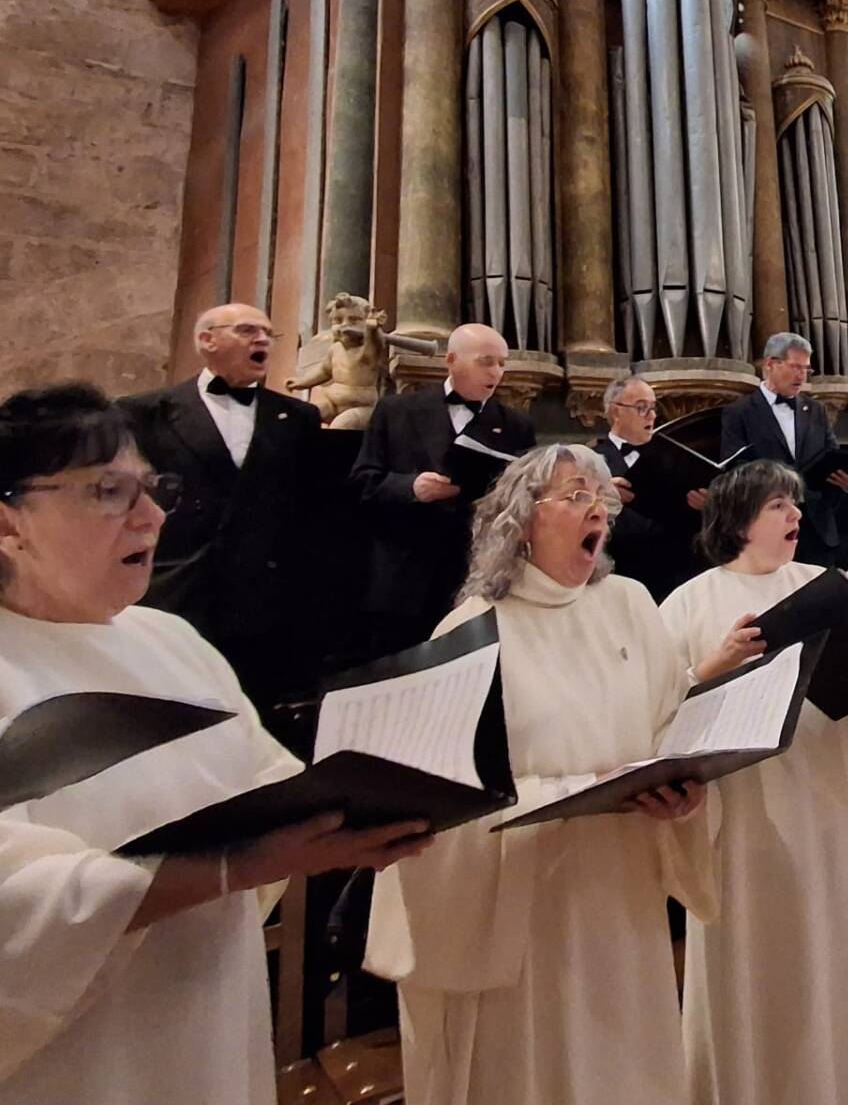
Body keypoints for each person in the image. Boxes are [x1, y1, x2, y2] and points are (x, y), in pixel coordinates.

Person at [0, 384, 423, 1105]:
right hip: (76, 1064)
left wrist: (355, 808)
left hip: (209, 1020)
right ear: (9, 523)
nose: (153, 516)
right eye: (109, 491)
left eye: (152, 488)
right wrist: (228, 868)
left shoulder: (172, 641)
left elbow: (266, 779)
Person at [365, 445, 710, 1105]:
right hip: (521, 913)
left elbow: (673, 722)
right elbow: (435, 802)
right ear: (521, 521)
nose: (597, 510)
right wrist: (565, 793)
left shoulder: (631, 604)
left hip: (618, 894)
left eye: (600, 499)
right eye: (576, 495)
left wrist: (683, 790)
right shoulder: (472, 629)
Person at [660, 462, 848, 1105]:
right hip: (743, 804)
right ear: (738, 519)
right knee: (760, 949)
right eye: (779, 505)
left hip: (828, 785)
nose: (796, 515)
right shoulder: (689, 601)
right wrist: (715, 663)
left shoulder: (826, 586)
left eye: (795, 504)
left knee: (840, 938)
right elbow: (658, 711)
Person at [118, 303, 322, 709]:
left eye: (268, 333)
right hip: (180, 591)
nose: (262, 340)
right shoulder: (143, 413)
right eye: (247, 330)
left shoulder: (298, 416)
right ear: (207, 341)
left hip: (264, 601)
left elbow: (308, 510)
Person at [351, 323, 536, 652]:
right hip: (404, 576)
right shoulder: (396, 410)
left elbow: (525, 498)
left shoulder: (516, 425)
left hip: (476, 574)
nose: (496, 372)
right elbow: (361, 483)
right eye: (486, 361)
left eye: (502, 363)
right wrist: (411, 487)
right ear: (451, 360)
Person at [717, 332, 848, 567]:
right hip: (767, 530)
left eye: (806, 369)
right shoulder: (739, 412)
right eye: (795, 367)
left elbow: (831, 454)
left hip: (817, 529)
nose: (802, 375)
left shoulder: (816, 410)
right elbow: (734, 470)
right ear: (770, 365)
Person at [593, 373, 702, 602]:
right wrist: (601, 495)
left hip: (676, 576)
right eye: (642, 407)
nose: (652, 415)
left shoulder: (676, 456)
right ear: (616, 412)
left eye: (653, 408)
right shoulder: (592, 459)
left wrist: (704, 506)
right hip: (621, 574)